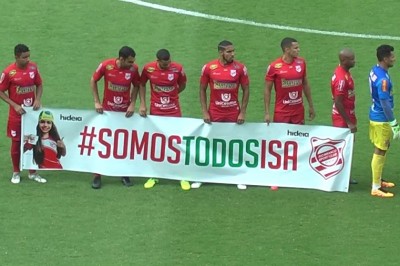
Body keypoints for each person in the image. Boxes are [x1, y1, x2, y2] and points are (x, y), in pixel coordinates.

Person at [191, 40, 250, 190]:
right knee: (210, 143)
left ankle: (237, 176)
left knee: (234, 144)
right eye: (229, 52)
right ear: (221, 52)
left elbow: (246, 90)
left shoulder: (240, 68)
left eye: (233, 51)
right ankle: (203, 175)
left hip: (233, 112)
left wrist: (242, 112)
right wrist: (205, 111)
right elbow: (202, 89)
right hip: (215, 112)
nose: (232, 54)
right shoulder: (209, 68)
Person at [139, 49, 191, 191]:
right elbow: (141, 84)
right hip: (156, 111)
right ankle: (154, 175)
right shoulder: (148, 69)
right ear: (158, 61)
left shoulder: (177, 69)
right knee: (157, 143)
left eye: (169, 63)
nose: (167, 65)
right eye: (164, 64)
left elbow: (183, 85)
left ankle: (182, 175)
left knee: (177, 143)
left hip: (173, 110)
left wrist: (172, 94)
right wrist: (142, 104)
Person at [90, 46, 140, 189]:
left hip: (125, 113)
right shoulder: (106, 65)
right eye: (129, 62)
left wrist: (132, 103)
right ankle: (97, 175)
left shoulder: (134, 69)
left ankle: (124, 174)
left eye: (133, 62)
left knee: (123, 143)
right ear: (121, 59)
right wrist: (96, 101)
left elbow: (136, 85)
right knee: (102, 142)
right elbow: (93, 80)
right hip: (106, 112)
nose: (132, 64)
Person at [0, 44, 46, 184]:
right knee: (16, 143)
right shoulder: (9, 72)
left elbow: (39, 84)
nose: (27, 59)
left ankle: (33, 172)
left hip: (31, 114)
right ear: (16, 57)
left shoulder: (33, 68)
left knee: (33, 140)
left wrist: (37, 99)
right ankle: (16, 172)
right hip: (16, 115)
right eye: (24, 57)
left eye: (28, 56)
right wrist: (14, 105)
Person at [264, 37, 315, 125]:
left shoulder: (301, 62)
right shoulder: (274, 66)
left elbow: (305, 84)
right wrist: (267, 113)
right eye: (295, 48)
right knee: (281, 138)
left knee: (298, 138)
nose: (298, 50)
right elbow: (267, 90)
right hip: (282, 112)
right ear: (287, 49)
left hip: (298, 112)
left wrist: (311, 106)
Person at [368, 44, 397, 198]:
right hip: (381, 119)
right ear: (385, 59)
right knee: (380, 150)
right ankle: (375, 187)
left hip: (374, 115)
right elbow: (385, 103)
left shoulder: (375, 70)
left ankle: (378, 179)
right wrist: (393, 123)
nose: (394, 58)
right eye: (392, 56)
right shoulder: (383, 80)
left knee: (381, 149)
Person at [330, 48, 358, 185]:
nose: (355, 61)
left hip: (348, 116)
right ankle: (339, 179)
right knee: (343, 148)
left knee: (348, 146)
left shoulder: (345, 72)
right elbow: (338, 101)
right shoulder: (341, 78)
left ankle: (344, 176)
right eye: (352, 59)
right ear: (344, 60)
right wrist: (348, 122)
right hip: (342, 119)